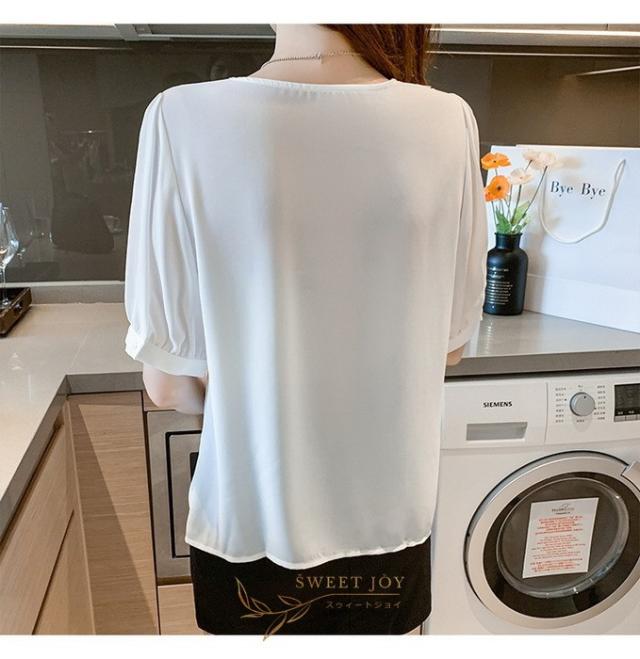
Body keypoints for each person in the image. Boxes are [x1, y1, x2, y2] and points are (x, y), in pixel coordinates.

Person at [123, 23, 487, 637]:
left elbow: (167, 386)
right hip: (388, 524)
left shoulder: (178, 118)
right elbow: (447, 348)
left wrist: (259, 392)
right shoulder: (449, 120)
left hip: (252, 524)